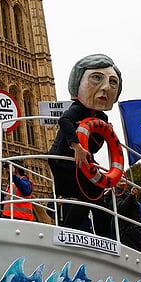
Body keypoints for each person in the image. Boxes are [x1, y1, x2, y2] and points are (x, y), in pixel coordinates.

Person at [48, 54, 122, 236]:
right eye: (97, 78)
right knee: (88, 195)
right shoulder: (77, 108)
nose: (106, 87)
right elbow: (64, 120)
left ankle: (106, 239)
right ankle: (66, 233)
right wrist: (77, 147)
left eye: (113, 82)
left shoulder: (103, 118)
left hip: (81, 163)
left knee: (97, 197)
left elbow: (99, 148)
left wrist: (116, 172)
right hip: (63, 159)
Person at [104, 178, 141, 254]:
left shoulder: (127, 194)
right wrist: (131, 196)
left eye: (125, 177)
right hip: (127, 233)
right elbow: (121, 209)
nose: (123, 178)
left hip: (136, 232)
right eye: (120, 177)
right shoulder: (112, 194)